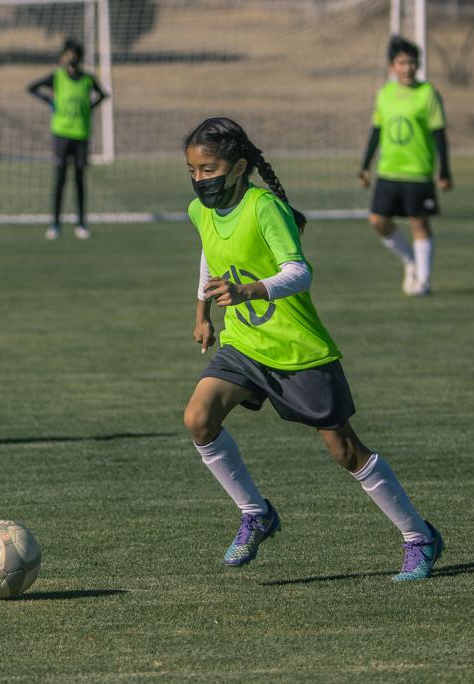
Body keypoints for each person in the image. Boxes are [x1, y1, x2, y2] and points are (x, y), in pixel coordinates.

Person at [182, 117, 443, 581]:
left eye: (210, 168)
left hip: (298, 350)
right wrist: (203, 315)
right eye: (194, 171)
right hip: (244, 343)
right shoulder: (199, 211)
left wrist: (252, 291)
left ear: (239, 167)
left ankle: (418, 536)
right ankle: (255, 513)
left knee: (345, 450)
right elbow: (209, 252)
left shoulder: (266, 208)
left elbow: (299, 272)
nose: (202, 179)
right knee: (198, 419)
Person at [359, 35, 452, 297]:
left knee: (418, 223)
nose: (408, 67)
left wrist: (444, 170)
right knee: (378, 221)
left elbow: (439, 134)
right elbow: (376, 131)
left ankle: (423, 280)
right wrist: (365, 167)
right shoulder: (385, 95)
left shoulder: (428, 94)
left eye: (412, 62)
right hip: (388, 171)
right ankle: (410, 260)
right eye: (402, 62)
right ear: (392, 67)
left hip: (418, 172)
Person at [28, 38, 109, 240]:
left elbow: (102, 95)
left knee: (80, 180)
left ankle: (81, 223)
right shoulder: (57, 77)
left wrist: (89, 108)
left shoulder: (88, 79)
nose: (70, 58)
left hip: (81, 135)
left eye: (73, 54)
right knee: (60, 179)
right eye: (67, 54)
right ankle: (55, 223)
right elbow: (33, 87)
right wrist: (49, 101)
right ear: (63, 57)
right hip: (61, 135)